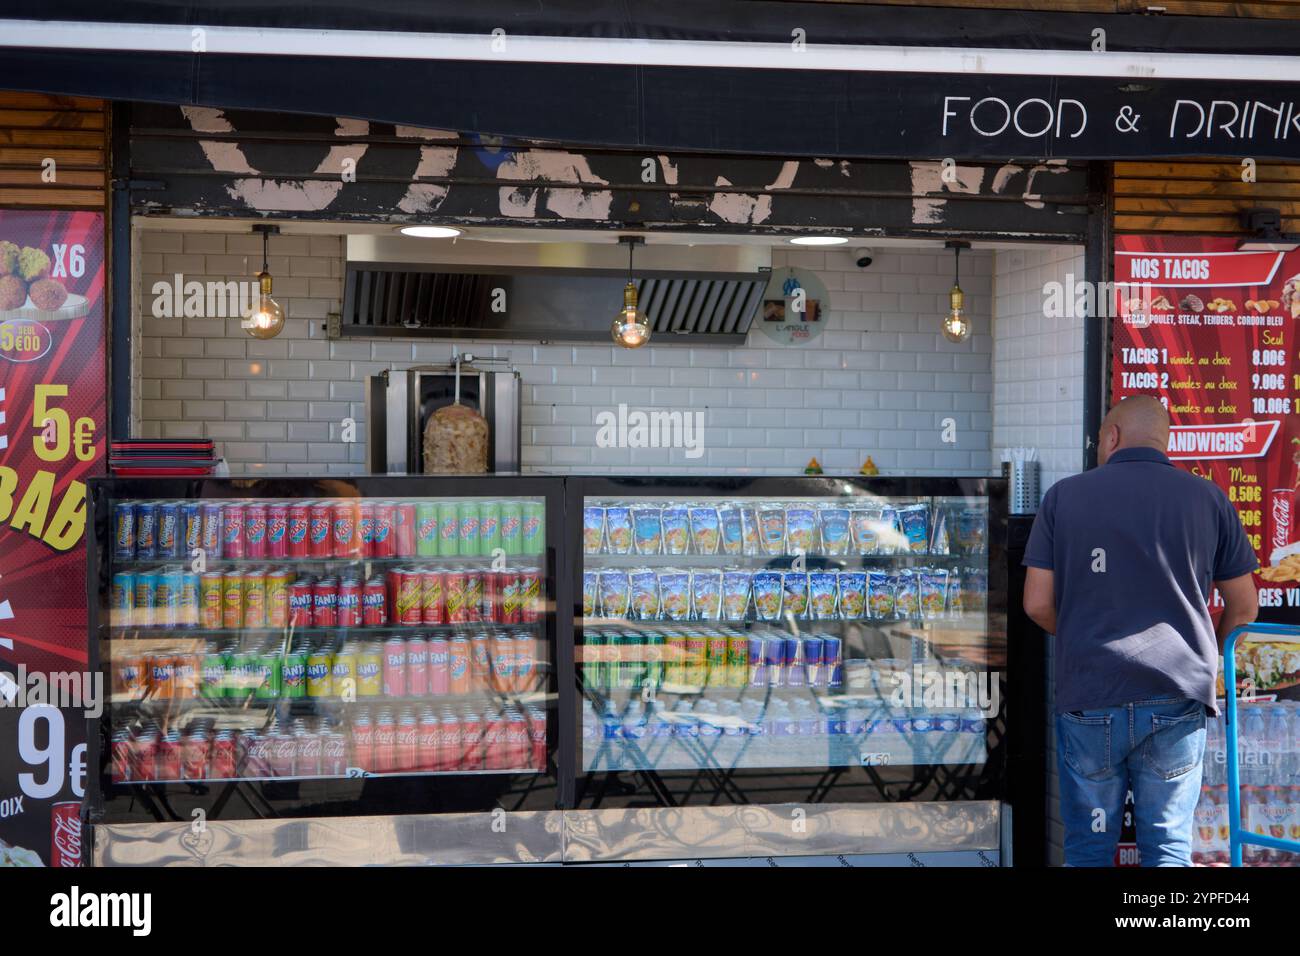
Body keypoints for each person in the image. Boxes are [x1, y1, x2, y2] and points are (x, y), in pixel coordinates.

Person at [1022, 395, 1259, 866]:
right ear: (1163, 440)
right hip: (1177, 697)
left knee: (1088, 846)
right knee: (1168, 845)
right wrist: (1206, 656)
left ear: (1112, 436)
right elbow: (1245, 607)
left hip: (1090, 695)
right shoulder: (1208, 498)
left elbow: (1037, 604)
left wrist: (1082, 639)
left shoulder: (1064, 497)